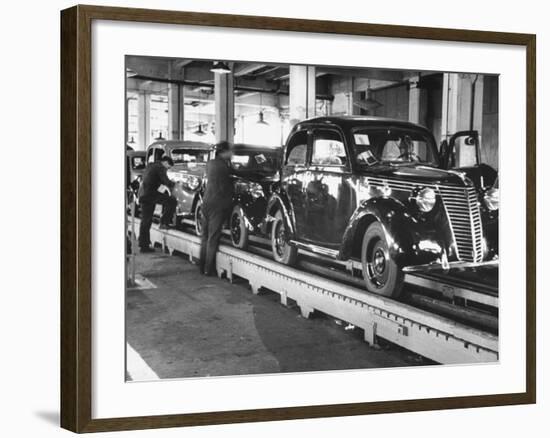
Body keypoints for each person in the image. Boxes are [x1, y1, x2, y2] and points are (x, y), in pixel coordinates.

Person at [199, 141, 234, 275]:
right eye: (230, 151)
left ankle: (202, 267)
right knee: (213, 238)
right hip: (217, 205)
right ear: (224, 152)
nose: (231, 154)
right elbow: (228, 185)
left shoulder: (210, 164)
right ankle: (209, 269)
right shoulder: (224, 166)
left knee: (205, 237)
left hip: (207, 202)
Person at [138, 155, 177, 253]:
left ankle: (143, 244)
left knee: (145, 220)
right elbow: (166, 181)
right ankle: (163, 223)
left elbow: (153, 179)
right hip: (149, 195)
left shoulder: (151, 165)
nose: (167, 169)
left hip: (143, 194)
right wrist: (176, 184)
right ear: (166, 163)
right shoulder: (160, 167)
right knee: (172, 201)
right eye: (168, 167)